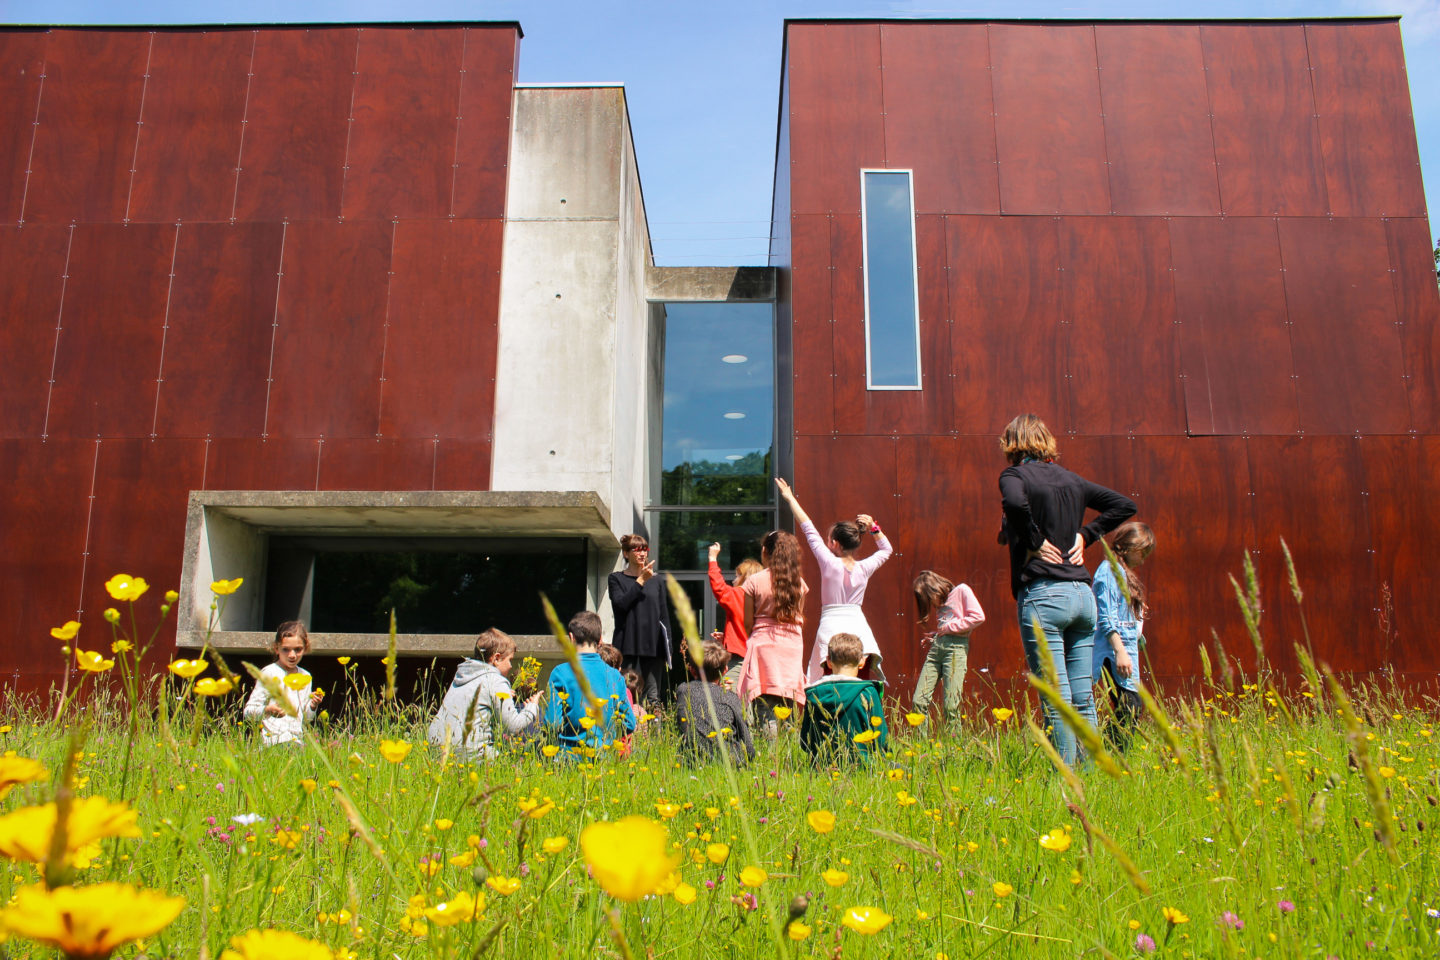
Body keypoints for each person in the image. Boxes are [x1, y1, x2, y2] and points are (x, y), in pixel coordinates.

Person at [998, 413, 1136, 766]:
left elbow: (1014, 504)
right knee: (1083, 698)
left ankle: (1066, 779)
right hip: (1081, 596)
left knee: (1057, 700)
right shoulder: (1073, 481)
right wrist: (1086, 535)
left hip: (1045, 595)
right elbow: (1124, 505)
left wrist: (1032, 538)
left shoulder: (1015, 475)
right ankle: (1090, 776)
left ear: (1012, 444)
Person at [774, 478, 894, 686]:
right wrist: (874, 527)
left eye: (828, 538)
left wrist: (790, 498)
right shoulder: (864, 567)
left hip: (830, 629)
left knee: (829, 684)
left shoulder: (828, 562)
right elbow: (886, 550)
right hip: (859, 629)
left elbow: (807, 527)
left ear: (834, 544)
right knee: (858, 684)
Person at [736, 528, 809, 735]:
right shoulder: (799, 583)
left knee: (765, 705)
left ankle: (769, 756)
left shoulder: (754, 581)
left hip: (763, 648)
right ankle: (789, 756)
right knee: (789, 704)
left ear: (766, 552)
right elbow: (798, 618)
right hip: (792, 648)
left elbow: (748, 623)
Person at [427, 628, 541, 759]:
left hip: (437, 750)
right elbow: (513, 727)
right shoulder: (496, 680)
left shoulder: (463, 675)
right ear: (496, 658)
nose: (510, 666)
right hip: (469, 752)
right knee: (515, 765)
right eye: (509, 660)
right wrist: (532, 707)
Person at [1091, 521, 1155, 749]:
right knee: (1131, 705)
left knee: (1129, 705)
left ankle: (1109, 753)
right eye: (1143, 551)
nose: (1145, 558)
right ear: (1130, 546)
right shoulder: (1109, 571)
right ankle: (1110, 754)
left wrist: (1135, 609)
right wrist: (1119, 651)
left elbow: (1118, 610)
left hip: (1125, 648)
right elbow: (1105, 615)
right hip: (1113, 650)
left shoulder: (1119, 571)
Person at [543, 610, 636, 754]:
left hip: (568, 758)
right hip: (604, 760)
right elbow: (629, 723)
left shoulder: (560, 673)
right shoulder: (615, 676)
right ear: (600, 640)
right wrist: (607, 738)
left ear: (571, 638)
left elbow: (552, 723)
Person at [799, 633, 888, 764]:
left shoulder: (814, 694)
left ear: (828, 661)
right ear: (862, 661)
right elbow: (881, 739)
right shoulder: (869, 692)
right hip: (863, 766)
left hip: (822, 767)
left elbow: (805, 741)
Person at [910, 571, 985, 723]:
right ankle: (922, 744)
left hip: (955, 650)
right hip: (937, 649)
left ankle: (954, 742)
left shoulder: (961, 590)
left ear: (935, 589)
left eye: (930, 599)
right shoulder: (940, 603)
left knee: (951, 704)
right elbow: (947, 625)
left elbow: (978, 617)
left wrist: (948, 628)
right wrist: (936, 635)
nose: (933, 604)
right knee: (919, 701)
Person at [608, 534, 672, 708]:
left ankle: (653, 733)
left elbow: (663, 615)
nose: (642, 553)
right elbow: (621, 604)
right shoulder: (616, 579)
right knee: (625, 695)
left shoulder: (657, 580)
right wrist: (641, 580)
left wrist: (669, 647)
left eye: (645, 549)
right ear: (626, 553)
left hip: (653, 647)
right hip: (626, 647)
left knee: (653, 698)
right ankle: (626, 734)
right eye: (637, 549)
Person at [673, 640, 755, 766]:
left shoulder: (684, 691)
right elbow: (748, 745)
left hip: (693, 761)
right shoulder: (730, 698)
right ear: (725, 670)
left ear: (692, 670)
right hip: (731, 761)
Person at [242, 620, 323, 747]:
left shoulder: (305, 676)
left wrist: (313, 705)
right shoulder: (269, 673)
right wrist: (268, 710)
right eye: (286, 649)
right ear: (276, 648)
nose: (292, 655)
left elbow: (306, 718)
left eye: (298, 649)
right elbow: (248, 712)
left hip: (297, 741)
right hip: (272, 742)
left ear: (305, 648)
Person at [706, 543, 762, 689]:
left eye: (737, 576)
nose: (734, 580)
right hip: (758, 658)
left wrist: (712, 559)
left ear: (746, 578)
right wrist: (727, 639)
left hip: (739, 660)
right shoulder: (761, 599)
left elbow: (719, 588)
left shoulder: (740, 595)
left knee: (731, 696)